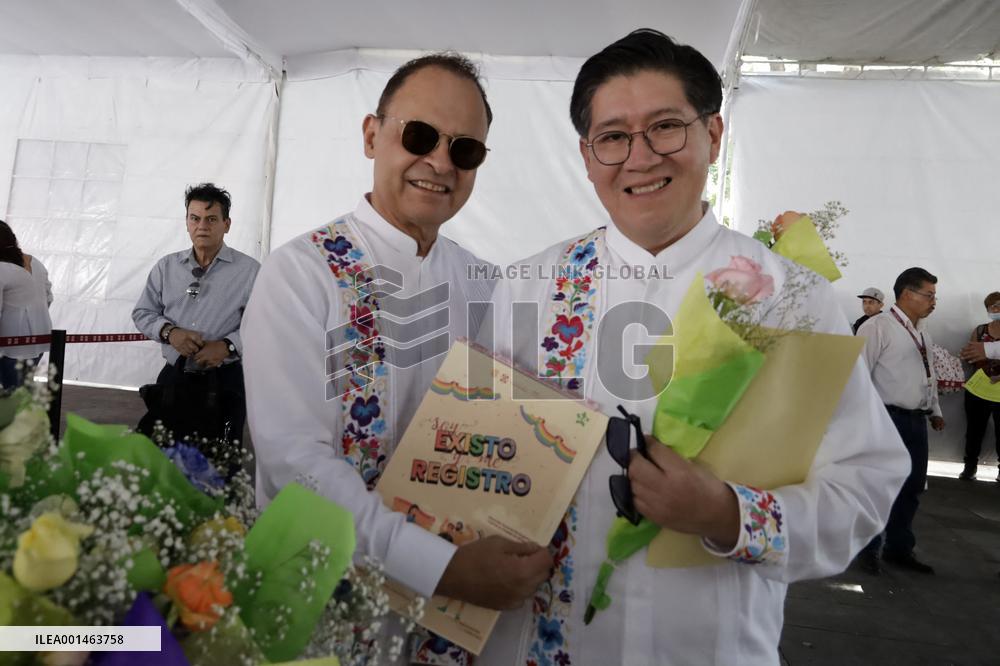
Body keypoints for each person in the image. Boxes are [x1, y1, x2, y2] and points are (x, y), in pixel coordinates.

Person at [478, 29, 909, 665]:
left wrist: (727, 514)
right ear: (586, 153)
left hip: (711, 647)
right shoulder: (526, 289)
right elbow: (478, 467)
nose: (641, 156)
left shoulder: (790, 301)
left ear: (714, 134)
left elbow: (866, 482)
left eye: (666, 127)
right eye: (614, 136)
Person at [240, 52, 552, 661]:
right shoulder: (302, 274)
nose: (440, 161)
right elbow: (296, 463)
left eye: (465, 150)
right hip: (318, 604)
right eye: (419, 135)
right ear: (371, 135)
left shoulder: (482, 282)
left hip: (452, 618)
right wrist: (444, 569)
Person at [132, 183, 259, 443]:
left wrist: (228, 347)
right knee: (163, 457)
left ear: (227, 224)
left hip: (225, 381)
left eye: (212, 219)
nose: (203, 226)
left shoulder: (249, 271)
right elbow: (143, 312)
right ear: (187, 222)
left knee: (219, 461)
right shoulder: (166, 267)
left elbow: (264, 325)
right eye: (195, 218)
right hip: (174, 377)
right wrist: (170, 332)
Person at [856, 267, 944, 575]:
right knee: (877, 486)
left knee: (912, 486)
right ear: (907, 294)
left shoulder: (923, 333)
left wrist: (935, 410)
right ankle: (866, 549)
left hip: (915, 420)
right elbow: (858, 376)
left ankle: (899, 547)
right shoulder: (877, 327)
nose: (934, 301)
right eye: (928, 295)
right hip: (885, 417)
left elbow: (927, 374)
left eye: (934, 295)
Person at [0, 220, 53, 389]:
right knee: (21, 390)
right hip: (39, 337)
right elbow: (48, 298)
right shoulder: (35, 262)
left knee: (13, 393)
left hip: (11, 344)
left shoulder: (2, 268)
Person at [958, 291, 1000, 481]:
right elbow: (970, 353)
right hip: (980, 385)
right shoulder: (980, 330)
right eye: (993, 307)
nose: (996, 309)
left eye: (999, 305)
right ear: (988, 309)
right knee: (975, 429)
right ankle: (970, 466)